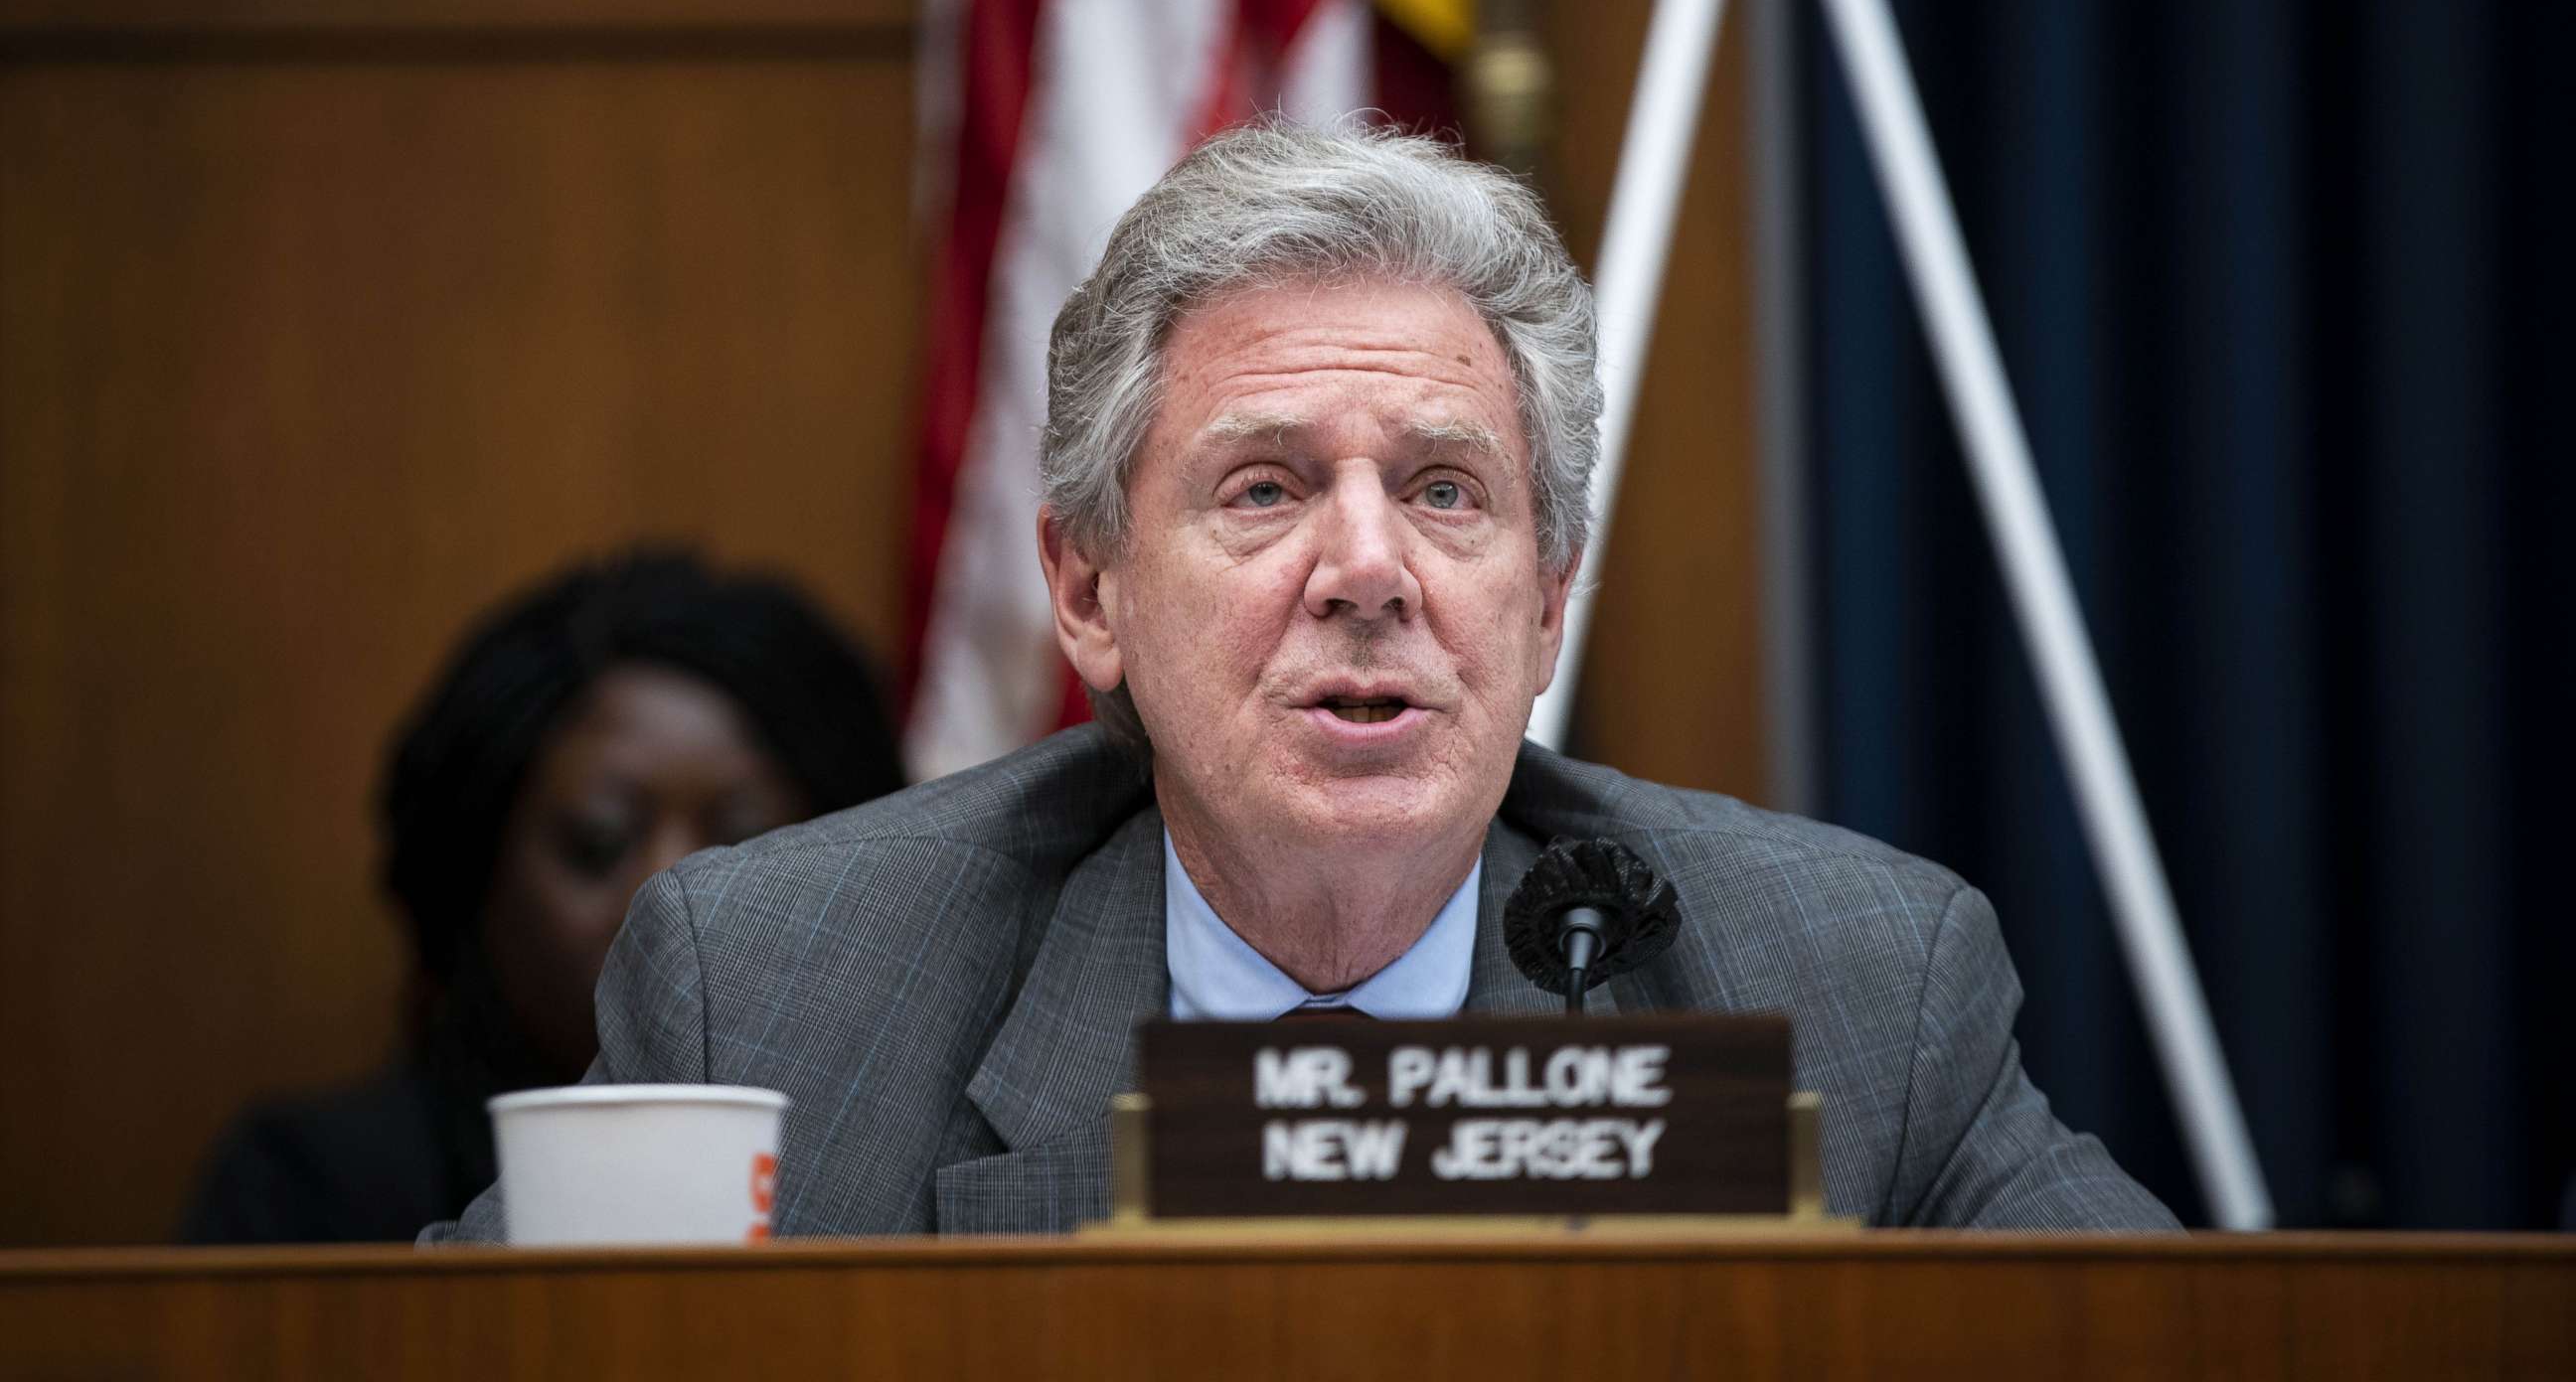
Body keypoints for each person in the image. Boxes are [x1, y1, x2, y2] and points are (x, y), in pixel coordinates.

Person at [443, 123, 2175, 1239]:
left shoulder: (1862, 988)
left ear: (1548, 598)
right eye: (1263, 485)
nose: (1367, 568)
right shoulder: (779, 995)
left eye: (1444, 488)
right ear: (1087, 589)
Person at [183, 549, 904, 1243]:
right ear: (476, 874)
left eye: (747, 851)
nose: (668, 903)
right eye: (598, 842)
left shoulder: (904, 1168)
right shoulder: (311, 1192)